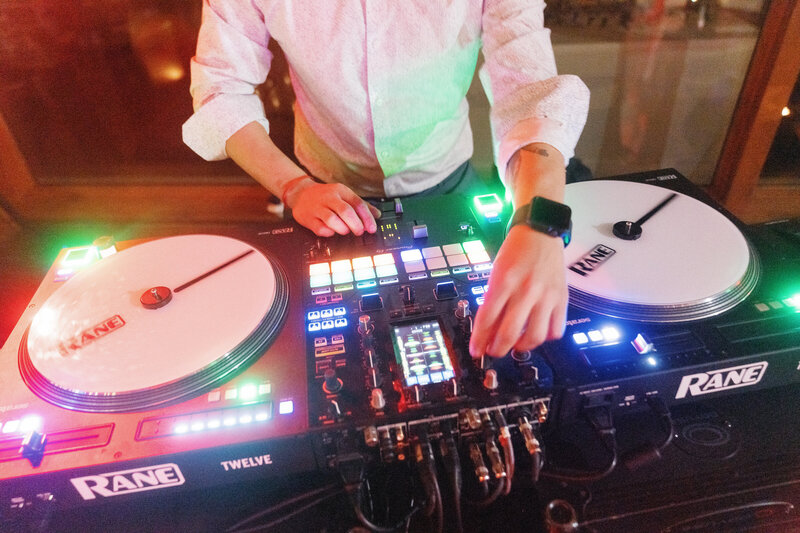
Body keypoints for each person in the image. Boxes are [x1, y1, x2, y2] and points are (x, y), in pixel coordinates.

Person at [183, 1, 590, 359]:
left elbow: (530, 88)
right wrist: (295, 187)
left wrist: (539, 219)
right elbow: (221, 89)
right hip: (319, 197)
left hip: (450, 182)